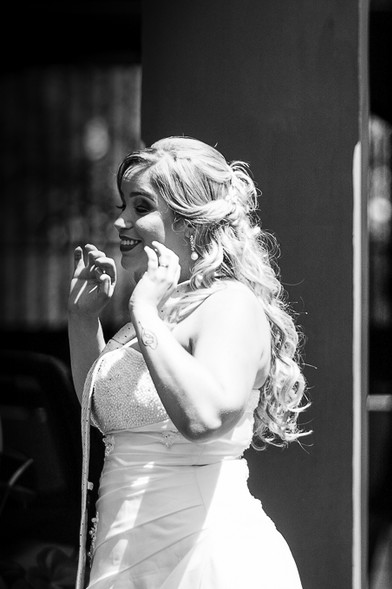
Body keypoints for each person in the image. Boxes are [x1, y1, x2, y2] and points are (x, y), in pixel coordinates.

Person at [66, 136, 309, 589]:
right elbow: (102, 414)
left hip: (203, 554)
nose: (121, 221)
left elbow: (204, 418)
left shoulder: (229, 305)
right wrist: (83, 321)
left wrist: (142, 310)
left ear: (188, 220)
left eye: (141, 207)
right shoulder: (163, 307)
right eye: (123, 205)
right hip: (124, 551)